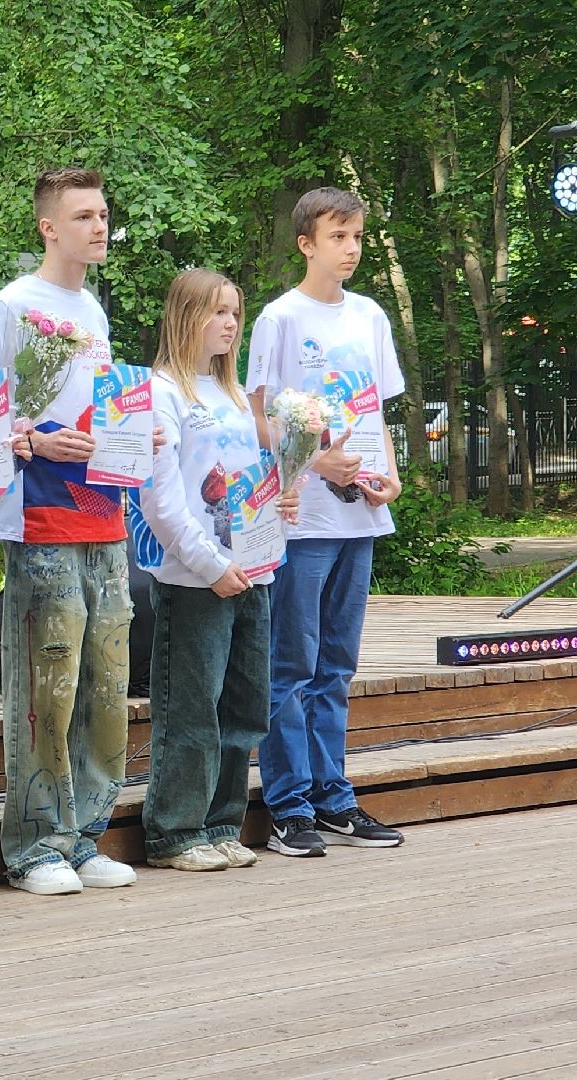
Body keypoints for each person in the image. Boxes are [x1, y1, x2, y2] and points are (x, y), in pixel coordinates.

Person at [0, 167, 138, 896]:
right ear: (49, 227)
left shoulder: (91, 310)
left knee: (107, 676)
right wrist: (31, 437)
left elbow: (103, 412)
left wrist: (130, 441)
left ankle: (86, 833)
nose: (99, 226)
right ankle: (35, 841)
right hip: (40, 520)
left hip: (103, 515)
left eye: (103, 213)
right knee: (50, 681)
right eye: (84, 215)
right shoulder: (12, 307)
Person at [245, 187, 406, 857]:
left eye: (358, 237)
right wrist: (315, 463)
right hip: (302, 516)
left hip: (361, 516)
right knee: (294, 663)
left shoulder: (369, 315)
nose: (351, 248)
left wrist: (391, 477)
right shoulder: (279, 318)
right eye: (338, 236)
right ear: (306, 242)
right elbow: (257, 418)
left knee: (337, 664)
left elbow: (377, 416)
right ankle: (289, 804)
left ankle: (336, 797)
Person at [129, 268, 275, 872]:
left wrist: (278, 505)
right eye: (218, 312)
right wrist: (210, 564)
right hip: (196, 578)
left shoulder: (235, 395)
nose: (230, 324)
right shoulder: (164, 392)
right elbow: (161, 501)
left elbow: (249, 477)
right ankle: (175, 829)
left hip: (254, 573)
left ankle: (221, 822)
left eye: (236, 314)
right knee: (191, 706)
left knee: (243, 707)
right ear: (185, 316)